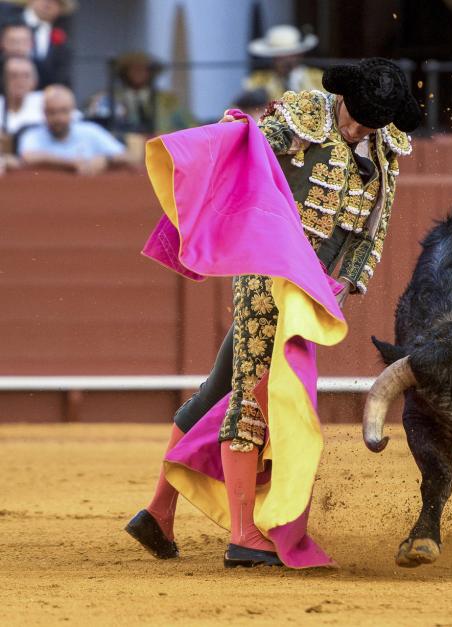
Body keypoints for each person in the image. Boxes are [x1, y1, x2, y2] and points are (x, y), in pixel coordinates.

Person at [125, 57, 421, 568]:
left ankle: (158, 511)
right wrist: (228, 134)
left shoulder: (386, 145)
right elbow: (245, 152)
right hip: (268, 270)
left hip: (315, 288)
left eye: (367, 124)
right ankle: (243, 534)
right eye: (353, 116)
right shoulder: (305, 115)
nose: (354, 128)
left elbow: (371, 227)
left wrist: (343, 285)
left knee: (222, 383)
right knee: (255, 390)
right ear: (342, 95)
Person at [18, 84, 130, 174]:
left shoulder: (90, 131)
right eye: (52, 112)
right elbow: (28, 157)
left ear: (73, 111)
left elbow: (126, 156)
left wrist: (106, 160)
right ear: (44, 113)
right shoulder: (32, 135)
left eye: (63, 111)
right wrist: (71, 164)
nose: (58, 118)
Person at [84, 51, 195, 135]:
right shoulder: (109, 98)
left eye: (143, 69)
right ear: (124, 72)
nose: (138, 73)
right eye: (133, 69)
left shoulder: (167, 100)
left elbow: (190, 125)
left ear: (150, 73)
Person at [243, 24, 322, 101]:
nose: (286, 60)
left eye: (290, 55)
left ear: (299, 55)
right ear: (273, 58)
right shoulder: (259, 80)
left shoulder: (317, 78)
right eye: (280, 57)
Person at [19, 0, 74, 88]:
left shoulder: (61, 39)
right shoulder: (8, 22)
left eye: (57, 1)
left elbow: (62, 76)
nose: (49, 3)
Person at [0, 55, 43, 136]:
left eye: (26, 76)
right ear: (4, 80)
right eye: (14, 76)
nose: (20, 81)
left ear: (35, 80)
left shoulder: (46, 102)